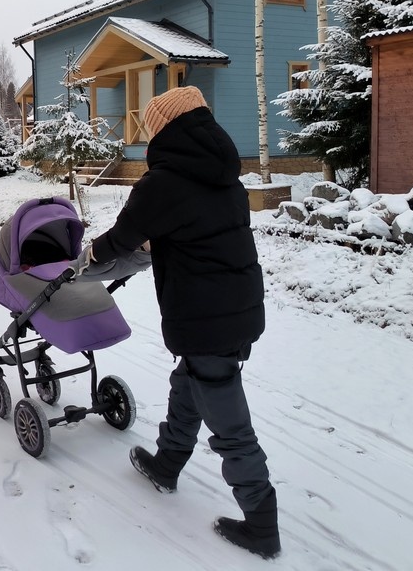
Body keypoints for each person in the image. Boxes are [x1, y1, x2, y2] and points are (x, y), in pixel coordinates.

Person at [71, 86, 280, 559]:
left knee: (229, 423)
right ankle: (167, 463)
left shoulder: (163, 182)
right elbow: (195, 230)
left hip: (206, 314)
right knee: (191, 380)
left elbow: (123, 238)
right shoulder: (225, 176)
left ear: (163, 130)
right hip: (238, 304)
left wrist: (88, 256)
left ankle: (261, 522)